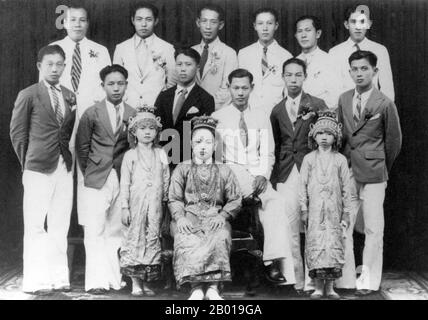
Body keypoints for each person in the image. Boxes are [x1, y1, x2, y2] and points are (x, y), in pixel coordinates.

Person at [213, 69, 295, 286]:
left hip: (257, 174)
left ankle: (271, 263)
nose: (240, 93)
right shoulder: (218, 118)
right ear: (229, 88)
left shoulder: (261, 115)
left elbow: (267, 152)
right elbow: (218, 158)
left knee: (276, 202)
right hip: (231, 174)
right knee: (253, 195)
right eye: (236, 88)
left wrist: (262, 175)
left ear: (252, 88)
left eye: (245, 88)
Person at [10, 45, 76, 294]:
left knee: (60, 225)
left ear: (64, 66)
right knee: (36, 226)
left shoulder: (69, 95)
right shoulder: (28, 94)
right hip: (37, 167)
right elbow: (17, 133)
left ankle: (58, 279)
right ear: (39, 66)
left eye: (59, 64)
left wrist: (63, 160)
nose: (55, 68)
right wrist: (28, 164)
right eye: (49, 64)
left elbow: (66, 132)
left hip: (63, 166)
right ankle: (36, 281)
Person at [337, 50, 402, 295]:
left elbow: (394, 142)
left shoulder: (384, 103)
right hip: (348, 170)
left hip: (375, 173)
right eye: (355, 69)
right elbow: (341, 135)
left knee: (374, 228)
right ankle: (345, 280)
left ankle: (368, 280)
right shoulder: (343, 99)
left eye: (364, 69)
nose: (359, 73)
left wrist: (381, 166)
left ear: (375, 72)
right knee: (345, 224)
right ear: (350, 72)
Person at [50, 5, 112, 231]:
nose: (77, 24)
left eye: (82, 20)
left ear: (88, 23)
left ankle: (92, 236)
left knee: (89, 177)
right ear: (64, 22)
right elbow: (45, 89)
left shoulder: (100, 50)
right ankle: (60, 235)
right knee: (61, 178)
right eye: (72, 20)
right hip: (62, 124)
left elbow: (106, 86)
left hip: (90, 122)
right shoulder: (52, 50)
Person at [76, 64, 137, 294]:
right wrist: (92, 170)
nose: (116, 88)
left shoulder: (133, 113)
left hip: (121, 176)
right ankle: (96, 281)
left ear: (126, 85)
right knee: (95, 229)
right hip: (96, 177)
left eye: (120, 83)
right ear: (102, 86)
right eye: (111, 84)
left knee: (116, 230)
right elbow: (82, 148)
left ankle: (113, 279)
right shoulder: (92, 113)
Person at [270, 58, 328, 294]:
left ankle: (316, 279)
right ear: (283, 77)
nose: (293, 79)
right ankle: (297, 278)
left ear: (305, 76)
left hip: (311, 168)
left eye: (298, 75)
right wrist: (275, 177)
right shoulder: (277, 109)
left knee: (314, 224)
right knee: (291, 227)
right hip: (286, 172)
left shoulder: (317, 104)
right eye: (289, 75)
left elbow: (327, 136)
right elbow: (275, 144)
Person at [168, 116, 242, 300]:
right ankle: (196, 288)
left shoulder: (224, 170)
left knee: (220, 236)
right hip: (189, 216)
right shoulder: (182, 168)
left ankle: (213, 288)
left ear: (215, 145)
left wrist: (223, 215)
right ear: (191, 144)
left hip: (215, 217)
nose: (203, 146)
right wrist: (180, 218)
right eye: (198, 141)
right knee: (186, 237)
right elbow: (174, 198)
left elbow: (235, 199)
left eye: (208, 142)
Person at [299, 111, 352, 300]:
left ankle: (330, 288)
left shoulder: (340, 160)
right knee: (316, 245)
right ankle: (317, 287)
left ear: (335, 137)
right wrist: (304, 209)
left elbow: (347, 188)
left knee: (333, 245)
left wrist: (346, 212)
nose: (324, 137)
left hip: (334, 211)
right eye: (321, 133)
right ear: (314, 135)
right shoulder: (308, 159)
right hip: (314, 212)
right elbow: (302, 186)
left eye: (329, 134)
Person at [119, 106, 170, 297]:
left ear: (157, 131)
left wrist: (164, 201)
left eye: (151, 128)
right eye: (142, 128)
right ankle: (135, 282)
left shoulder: (161, 153)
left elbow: (166, 177)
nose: (147, 132)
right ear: (134, 132)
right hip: (135, 204)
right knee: (135, 237)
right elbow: (125, 183)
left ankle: (148, 282)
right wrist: (124, 206)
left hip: (155, 205)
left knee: (152, 238)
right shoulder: (130, 156)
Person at [155, 47, 215, 166]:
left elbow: (204, 135)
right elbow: (156, 129)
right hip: (162, 158)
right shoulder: (163, 96)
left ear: (197, 66)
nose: (183, 69)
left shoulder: (206, 99)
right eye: (179, 64)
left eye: (188, 64)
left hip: (190, 160)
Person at [113, 2, 176, 108]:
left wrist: (163, 102)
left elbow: (172, 82)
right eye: (139, 19)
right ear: (132, 20)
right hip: (128, 107)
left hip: (157, 108)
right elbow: (116, 80)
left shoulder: (167, 48)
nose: (143, 24)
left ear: (156, 21)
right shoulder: (121, 48)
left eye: (148, 19)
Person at [328, 4, 395, 101]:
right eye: (353, 22)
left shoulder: (380, 50)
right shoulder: (335, 52)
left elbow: (387, 88)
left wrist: (382, 112)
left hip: (373, 108)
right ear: (346, 24)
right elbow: (333, 89)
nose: (358, 27)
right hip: (345, 108)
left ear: (369, 24)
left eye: (362, 22)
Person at [238, 8, 292, 113]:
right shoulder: (244, 54)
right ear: (255, 26)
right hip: (249, 112)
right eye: (260, 23)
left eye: (269, 23)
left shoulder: (286, 56)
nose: (265, 28)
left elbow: (287, 91)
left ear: (276, 26)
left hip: (275, 114)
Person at [192, 3, 238, 110]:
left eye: (213, 22)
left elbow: (227, 89)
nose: (208, 27)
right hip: (189, 111)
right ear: (198, 23)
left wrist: (207, 109)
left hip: (216, 111)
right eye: (204, 21)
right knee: (185, 127)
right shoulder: (192, 51)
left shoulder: (229, 53)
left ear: (220, 25)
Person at [294, 15, 340, 109]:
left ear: (318, 33)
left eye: (308, 30)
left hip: (321, 118)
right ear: (296, 36)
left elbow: (335, 97)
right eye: (300, 31)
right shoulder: (293, 62)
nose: (303, 35)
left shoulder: (330, 60)